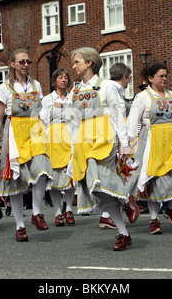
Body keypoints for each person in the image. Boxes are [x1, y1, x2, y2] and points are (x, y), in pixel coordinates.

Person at [68, 47, 132, 251]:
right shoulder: (75, 91)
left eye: (76, 61)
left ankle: (126, 197)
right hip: (83, 139)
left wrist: (125, 144)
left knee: (100, 177)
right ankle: (124, 231)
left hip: (104, 136)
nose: (73, 66)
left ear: (89, 63)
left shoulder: (106, 86)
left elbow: (117, 115)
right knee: (100, 190)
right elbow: (73, 122)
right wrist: (72, 151)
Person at [126, 63, 172, 235]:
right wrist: (127, 144)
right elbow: (132, 122)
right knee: (156, 181)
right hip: (153, 142)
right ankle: (154, 219)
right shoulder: (143, 97)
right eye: (161, 76)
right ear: (151, 78)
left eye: (166, 75)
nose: (165, 78)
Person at [0, 49, 53, 242]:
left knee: (42, 168)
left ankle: (36, 212)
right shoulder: (3, 88)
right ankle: (20, 226)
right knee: (14, 181)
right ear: (13, 64)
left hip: (34, 129)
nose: (25, 65)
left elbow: (42, 112)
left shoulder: (37, 85)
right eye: (21, 62)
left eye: (28, 61)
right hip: (14, 131)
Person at [99, 62, 139, 229]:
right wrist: (124, 142)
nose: (129, 81)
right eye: (129, 78)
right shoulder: (111, 88)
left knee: (114, 173)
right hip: (111, 135)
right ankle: (126, 200)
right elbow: (114, 116)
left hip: (108, 134)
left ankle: (107, 215)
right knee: (124, 171)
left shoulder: (110, 88)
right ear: (125, 77)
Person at [39, 68, 75, 226]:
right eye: (60, 77)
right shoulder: (47, 99)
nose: (64, 80)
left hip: (69, 137)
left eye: (66, 77)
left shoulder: (72, 98)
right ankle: (57, 212)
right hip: (53, 139)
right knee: (54, 177)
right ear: (54, 81)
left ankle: (69, 209)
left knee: (69, 175)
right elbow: (43, 120)